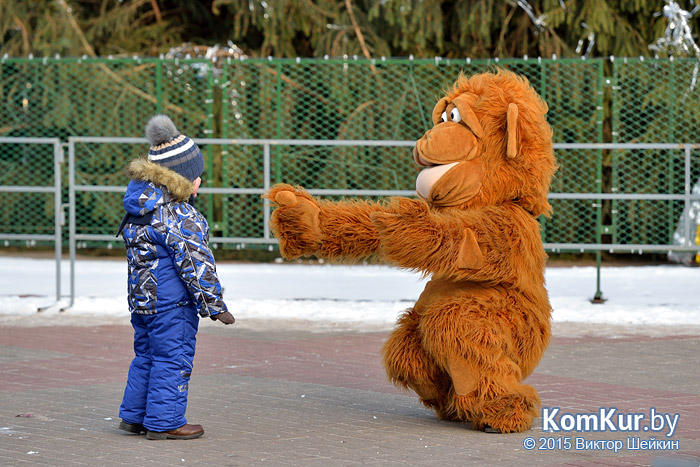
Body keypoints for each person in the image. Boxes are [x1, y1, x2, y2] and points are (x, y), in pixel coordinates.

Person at [116, 115, 235, 440]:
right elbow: (196, 263)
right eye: (196, 176)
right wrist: (214, 304)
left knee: (147, 356)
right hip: (173, 304)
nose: (200, 182)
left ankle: (134, 417)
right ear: (178, 179)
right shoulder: (180, 215)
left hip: (142, 303)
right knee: (173, 358)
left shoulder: (140, 207)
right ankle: (165, 422)